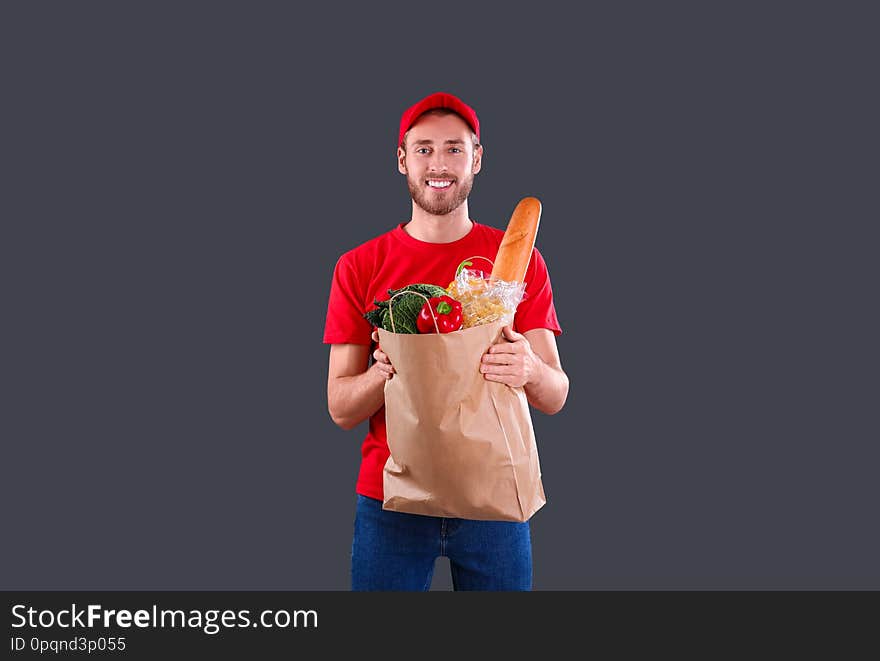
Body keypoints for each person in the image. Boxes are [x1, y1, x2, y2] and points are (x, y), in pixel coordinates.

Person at [323, 91, 569, 591]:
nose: (439, 163)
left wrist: (529, 369)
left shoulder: (518, 261)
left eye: (455, 149)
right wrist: (384, 371)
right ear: (402, 159)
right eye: (424, 148)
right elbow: (340, 408)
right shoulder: (359, 265)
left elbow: (556, 395)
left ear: (477, 158)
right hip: (390, 501)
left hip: (496, 498)